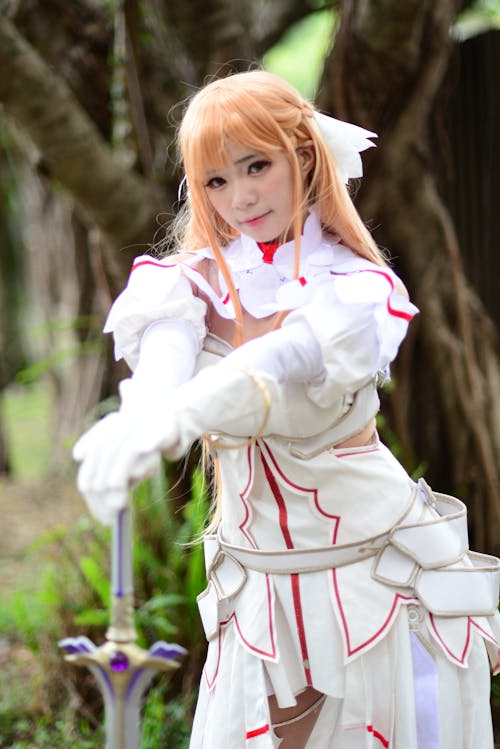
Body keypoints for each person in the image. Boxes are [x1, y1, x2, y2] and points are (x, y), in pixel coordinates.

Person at [73, 70, 500, 748]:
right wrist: (141, 417)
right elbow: (163, 367)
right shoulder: (185, 285)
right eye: (215, 180)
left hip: (368, 574)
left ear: (302, 157)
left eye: (256, 166)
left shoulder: (356, 290)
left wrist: (176, 417)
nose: (239, 196)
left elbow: (273, 365)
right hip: (255, 587)